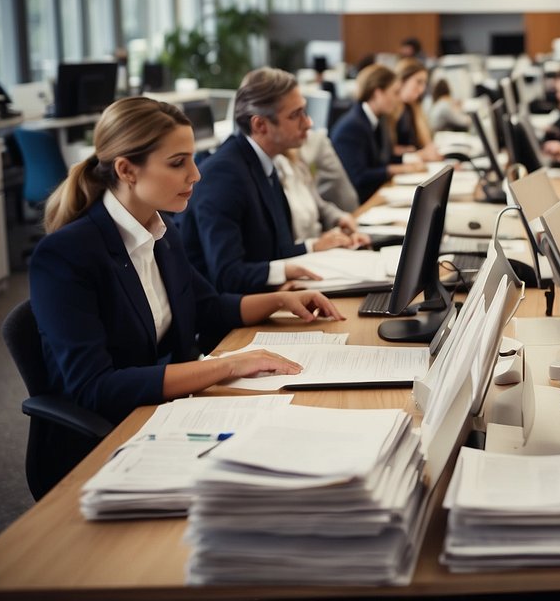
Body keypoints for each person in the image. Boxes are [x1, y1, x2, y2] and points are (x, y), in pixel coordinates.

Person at [30, 97, 342, 478]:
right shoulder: (66, 255)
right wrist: (227, 365)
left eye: (192, 159)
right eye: (178, 163)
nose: (195, 174)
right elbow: (96, 387)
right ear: (127, 170)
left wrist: (281, 300)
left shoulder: (160, 230)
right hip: (104, 442)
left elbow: (208, 307)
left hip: (167, 412)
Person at [182, 68, 364, 294]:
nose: (308, 123)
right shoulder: (224, 175)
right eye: (295, 115)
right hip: (229, 324)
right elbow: (227, 276)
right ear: (260, 125)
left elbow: (271, 253)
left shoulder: (266, 164)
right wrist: (287, 271)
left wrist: (313, 246)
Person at [330, 63, 425, 201]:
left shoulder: (376, 120)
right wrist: (399, 169)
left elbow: (381, 160)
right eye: (395, 93)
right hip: (359, 203)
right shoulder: (353, 127)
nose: (398, 99)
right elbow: (358, 176)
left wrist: (409, 162)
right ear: (378, 93)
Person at [275, 147, 371, 253]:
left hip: (319, 246)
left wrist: (340, 218)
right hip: (301, 253)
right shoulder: (271, 170)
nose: (308, 129)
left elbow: (319, 205)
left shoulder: (297, 161)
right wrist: (314, 245)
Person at [391, 58, 442, 161]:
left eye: (424, 83)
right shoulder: (388, 110)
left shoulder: (412, 108)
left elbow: (423, 144)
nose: (422, 89)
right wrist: (415, 153)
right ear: (402, 80)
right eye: (418, 82)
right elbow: (385, 152)